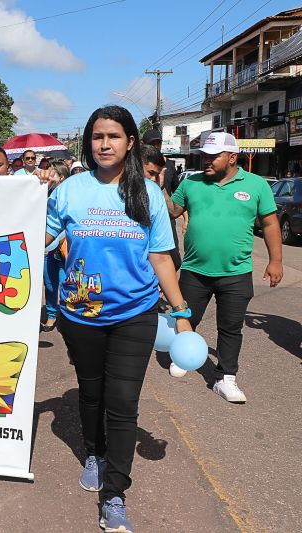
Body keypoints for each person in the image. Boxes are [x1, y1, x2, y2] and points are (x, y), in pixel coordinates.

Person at [43, 105, 192, 533]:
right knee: (92, 395)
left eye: (113, 136)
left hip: (135, 315)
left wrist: (181, 313)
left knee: (123, 404)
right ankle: (94, 451)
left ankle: (115, 494)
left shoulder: (147, 193)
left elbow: (161, 257)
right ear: (88, 143)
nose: (104, 144)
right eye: (97, 137)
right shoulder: (69, 190)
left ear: (130, 142)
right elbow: (44, 240)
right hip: (80, 314)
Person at [161, 132, 283, 400]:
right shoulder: (191, 183)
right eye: (204, 155)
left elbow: (271, 223)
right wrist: (161, 187)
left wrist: (275, 261)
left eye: (213, 156)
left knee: (230, 328)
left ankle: (225, 377)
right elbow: (172, 211)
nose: (207, 160)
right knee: (185, 318)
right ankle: (183, 356)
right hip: (195, 270)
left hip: (236, 272)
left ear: (232, 157)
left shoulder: (256, 185)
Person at [141, 146, 182, 272]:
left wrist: (160, 188)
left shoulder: (156, 194)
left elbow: (174, 212)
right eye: (151, 173)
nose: (153, 179)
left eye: (157, 175)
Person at [41, 160, 70, 332]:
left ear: (62, 177)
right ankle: (51, 315)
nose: (49, 176)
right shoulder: (42, 192)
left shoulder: (70, 196)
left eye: (53, 174)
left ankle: (67, 316)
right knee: (50, 284)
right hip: (47, 248)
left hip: (66, 249)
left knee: (66, 283)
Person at [142, 128, 178, 194]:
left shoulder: (170, 165)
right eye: (152, 143)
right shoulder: (137, 163)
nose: (156, 146)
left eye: (158, 143)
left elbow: (176, 191)